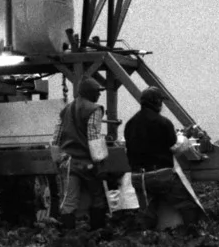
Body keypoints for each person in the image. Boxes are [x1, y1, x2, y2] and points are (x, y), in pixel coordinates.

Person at [124, 88, 205, 232]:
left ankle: (145, 242)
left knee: (147, 213)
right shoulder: (163, 122)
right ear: (156, 102)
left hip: (138, 177)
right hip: (160, 175)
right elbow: (175, 147)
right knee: (187, 205)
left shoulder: (130, 124)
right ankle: (192, 238)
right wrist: (184, 137)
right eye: (161, 101)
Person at [55, 77, 111, 231]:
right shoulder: (95, 109)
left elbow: (56, 137)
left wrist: (57, 159)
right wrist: (100, 162)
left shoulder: (65, 109)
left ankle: (68, 237)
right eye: (97, 92)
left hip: (68, 163)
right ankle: (98, 234)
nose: (99, 95)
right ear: (90, 92)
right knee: (98, 198)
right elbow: (94, 137)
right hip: (88, 163)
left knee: (69, 201)